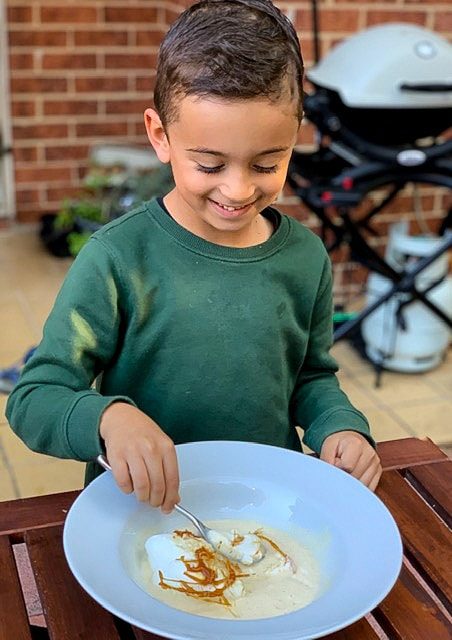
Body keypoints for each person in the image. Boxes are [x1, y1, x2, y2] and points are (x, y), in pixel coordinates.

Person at [6, 0, 381, 513]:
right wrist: (107, 419)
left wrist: (339, 426)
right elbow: (35, 397)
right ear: (160, 135)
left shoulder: (305, 256)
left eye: (268, 163)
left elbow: (311, 376)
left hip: (264, 507)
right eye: (210, 164)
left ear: (295, 138)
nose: (238, 188)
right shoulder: (117, 257)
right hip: (146, 512)